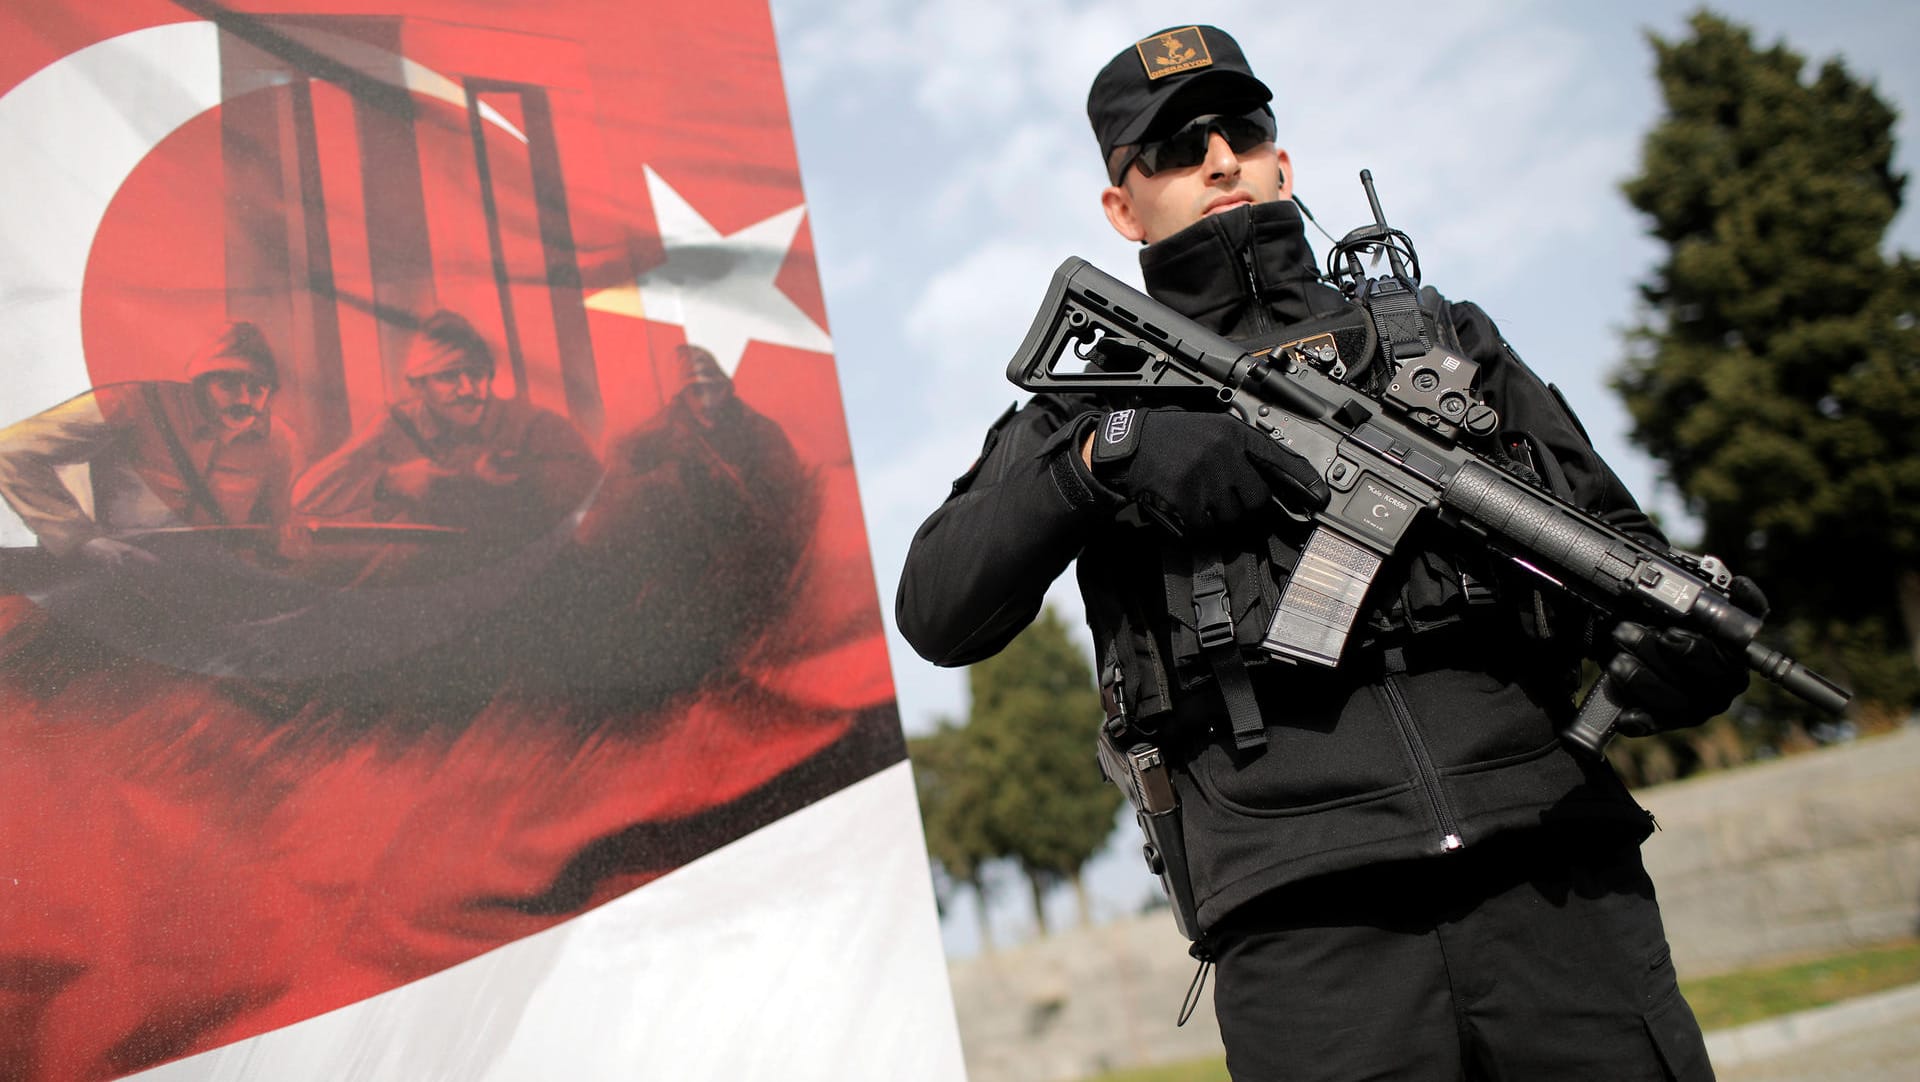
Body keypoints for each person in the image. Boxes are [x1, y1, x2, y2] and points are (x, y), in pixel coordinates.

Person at [897, 25, 1755, 1082]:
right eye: (1172, 147)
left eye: (1240, 128)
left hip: (1553, 871)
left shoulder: (1439, 338)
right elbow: (936, 606)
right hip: (1306, 930)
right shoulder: (1100, 393)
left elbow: (1617, 547)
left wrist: (1681, 647)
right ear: (1121, 206)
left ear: (1280, 158)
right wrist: (1105, 452)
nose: (1218, 158)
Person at [293, 310, 599, 556]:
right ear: (419, 386)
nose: (468, 390)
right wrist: (385, 476)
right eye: (448, 376)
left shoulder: (533, 425)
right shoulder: (398, 427)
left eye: (477, 374)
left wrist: (491, 479)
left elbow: (593, 495)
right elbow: (306, 498)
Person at [0, 321, 304, 567]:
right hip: (131, 565)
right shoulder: (136, 403)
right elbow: (10, 450)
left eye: (257, 388)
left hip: (221, 574)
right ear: (199, 384)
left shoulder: (278, 440)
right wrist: (79, 539)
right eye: (227, 384)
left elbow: (278, 533)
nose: (244, 400)